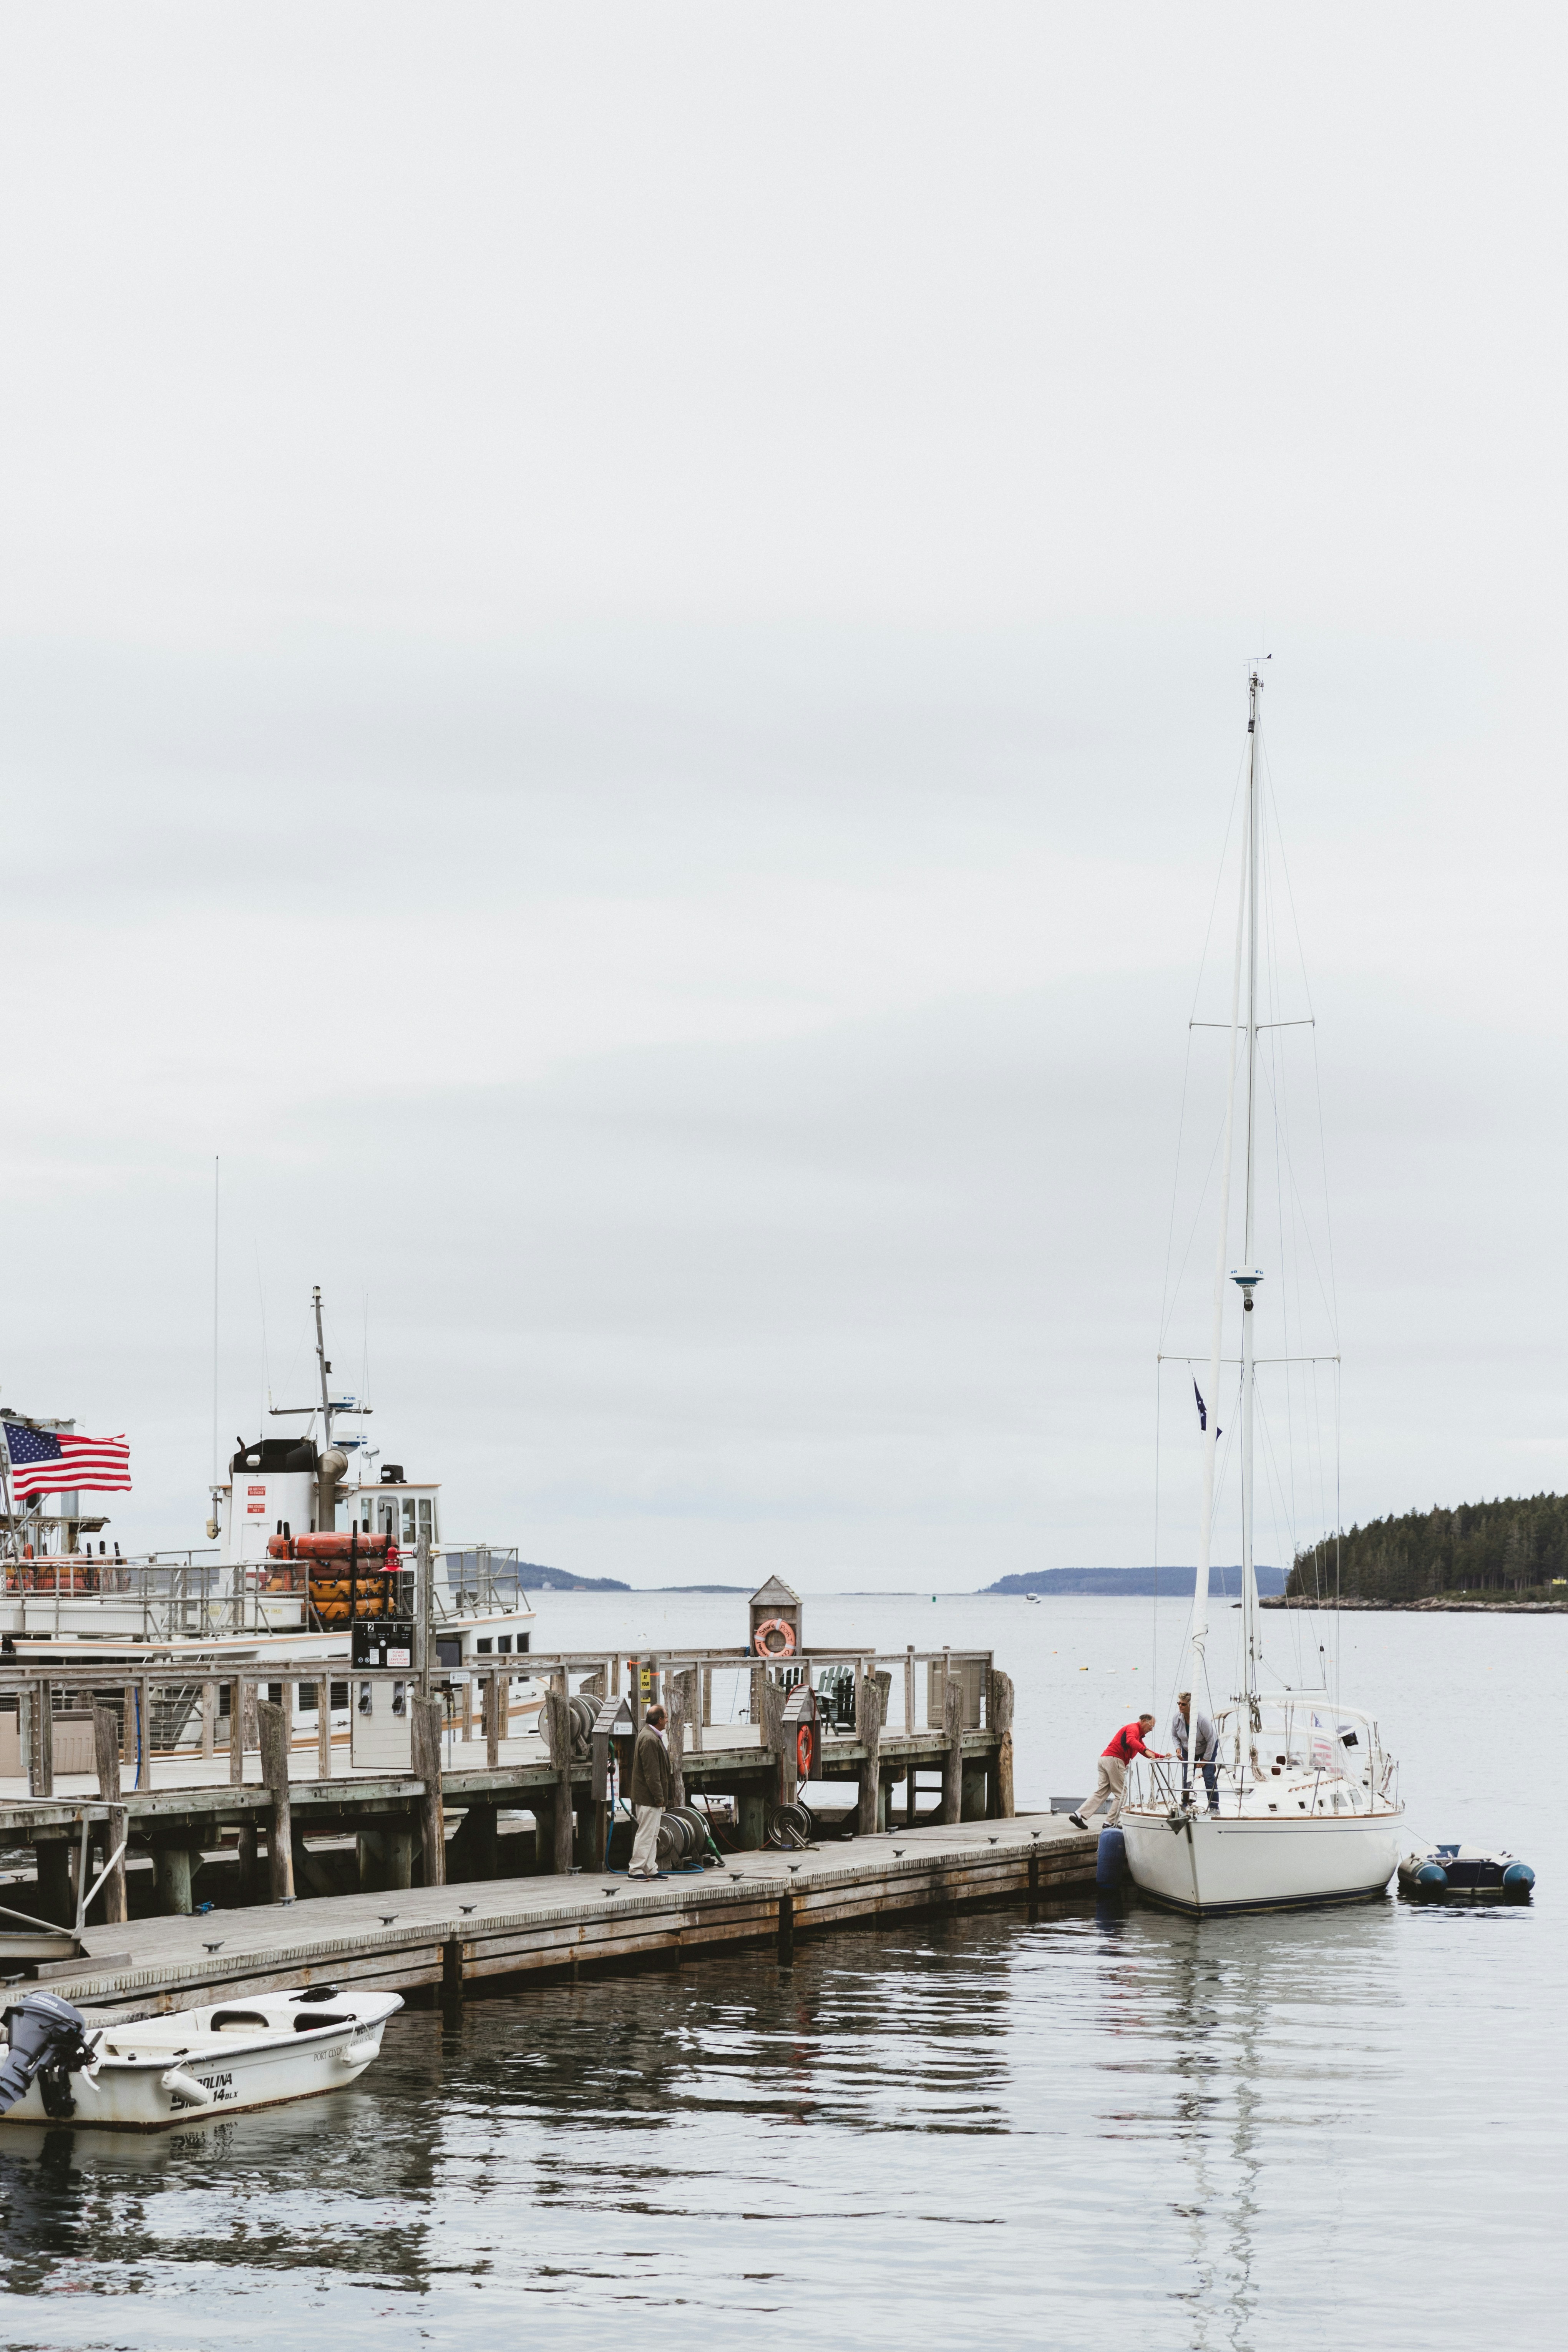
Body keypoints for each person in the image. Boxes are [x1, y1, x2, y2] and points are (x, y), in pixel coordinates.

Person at [1069, 1713, 1162, 1831]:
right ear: (1143, 1721)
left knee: (1102, 1791)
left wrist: (1163, 1757)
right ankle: (1110, 1822)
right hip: (1115, 1760)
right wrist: (1145, 1750)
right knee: (1122, 1793)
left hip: (1105, 1759)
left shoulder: (1137, 1736)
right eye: (1151, 1726)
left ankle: (1078, 1815)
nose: (1151, 1729)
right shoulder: (1133, 1728)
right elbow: (1131, 1741)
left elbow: (1145, 1751)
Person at [627, 1702, 671, 1878]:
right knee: (646, 1834)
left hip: (651, 1798)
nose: (667, 1720)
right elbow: (652, 1773)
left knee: (653, 1834)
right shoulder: (650, 1739)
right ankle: (636, 1869)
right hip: (649, 1797)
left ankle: (650, 1868)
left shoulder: (651, 1735)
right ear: (660, 1720)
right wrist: (659, 1797)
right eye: (666, 1717)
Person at [1171, 1691, 1220, 1813]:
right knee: (1187, 1777)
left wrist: (1206, 1760)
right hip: (1188, 1749)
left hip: (1207, 1747)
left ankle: (1214, 1807)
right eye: (1179, 1703)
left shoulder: (1203, 1720)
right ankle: (1185, 1804)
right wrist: (1178, 1749)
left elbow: (1211, 1740)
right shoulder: (1177, 1719)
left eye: (1183, 1704)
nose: (1180, 1706)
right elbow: (1175, 1736)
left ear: (1190, 1705)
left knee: (1209, 1776)